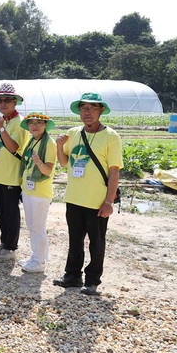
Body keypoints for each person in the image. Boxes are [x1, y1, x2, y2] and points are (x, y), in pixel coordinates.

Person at [54, 92, 123, 295]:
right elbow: (65, 162)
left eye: (93, 108)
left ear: (101, 110)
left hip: (97, 200)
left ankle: (92, 280)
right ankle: (72, 276)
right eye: (84, 108)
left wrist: (109, 201)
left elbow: (114, 171)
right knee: (74, 239)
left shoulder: (111, 136)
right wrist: (59, 146)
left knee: (96, 241)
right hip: (74, 197)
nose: (88, 112)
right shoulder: (73, 132)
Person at [0, 83, 28, 260]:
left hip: (12, 175)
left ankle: (11, 246)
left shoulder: (19, 123)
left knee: (11, 212)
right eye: (0, 100)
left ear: (15, 102)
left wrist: (1, 129)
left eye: (7, 100)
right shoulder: (4, 121)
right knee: (0, 210)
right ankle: (4, 242)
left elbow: (14, 147)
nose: (3, 104)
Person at [17, 112, 57, 272]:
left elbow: (47, 171)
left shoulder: (49, 143)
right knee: (31, 225)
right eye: (31, 123)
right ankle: (35, 256)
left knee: (38, 226)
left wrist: (39, 163)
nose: (34, 126)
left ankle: (40, 261)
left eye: (39, 123)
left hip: (40, 192)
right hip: (28, 189)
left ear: (45, 125)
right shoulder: (32, 141)